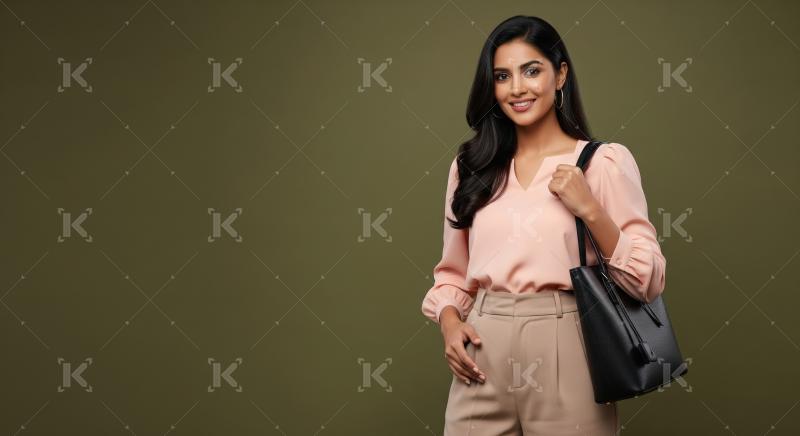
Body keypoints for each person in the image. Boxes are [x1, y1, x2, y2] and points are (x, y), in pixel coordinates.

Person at [420, 15, 666, 436]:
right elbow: (453, 274)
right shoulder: (471, 168)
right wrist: (449, 325)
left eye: (531, 70)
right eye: (502, 75)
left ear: (560, 75)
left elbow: (648, 279)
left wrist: (590, 209)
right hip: (482, 351)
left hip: (567, 346)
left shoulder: (602, 163)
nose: (517, 88)